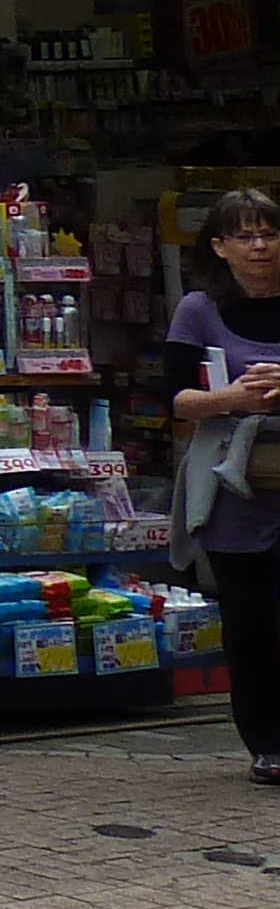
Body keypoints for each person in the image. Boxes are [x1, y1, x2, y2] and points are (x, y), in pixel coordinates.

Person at [168, 185, 280, 782]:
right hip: (233, 487)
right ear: (220, 246)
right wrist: (229, 399)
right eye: (245, 235)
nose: (259, 246)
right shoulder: (198, 310)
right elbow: (176, 399)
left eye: (268, 232)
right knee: (251, 620)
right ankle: (267, 742)